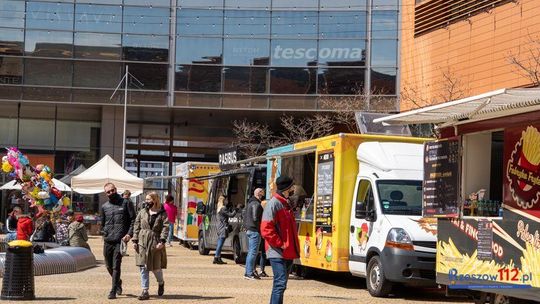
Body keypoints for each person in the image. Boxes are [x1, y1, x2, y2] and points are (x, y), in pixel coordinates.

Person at [261, 175, 300, 304]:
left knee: (280, 285)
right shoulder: (274, 204)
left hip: (286, 251)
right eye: (291, 187)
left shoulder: (285, 204)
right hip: (277, 251)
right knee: (280, 283)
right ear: (286, 189)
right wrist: (280, 244)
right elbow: (266, 229)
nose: (293, 189)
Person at [101, 182, 136, 300]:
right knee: (108, 265)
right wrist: (103, 232)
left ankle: (113, 290)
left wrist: (129, 234)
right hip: (107, 240)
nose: (111, 193)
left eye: (112, 190)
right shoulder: (104, 206)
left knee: (116, 266)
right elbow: (102, 223)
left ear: (116, 189)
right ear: (105, 194)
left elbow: (133, 220)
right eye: (108, 192)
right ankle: (118, 282)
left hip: (119, 240)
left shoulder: (126, 203)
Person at [132, 192, 169, 300]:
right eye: (146, 199)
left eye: (149, 199)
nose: (146, 201)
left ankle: (161, 282)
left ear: (155, 200)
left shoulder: (162, 213)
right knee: (143, 267)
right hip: (142, 240)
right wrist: (135, 240)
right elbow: (136, 225)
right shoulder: (142, 212)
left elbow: (165, 227)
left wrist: (162, 241)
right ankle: (145, 291)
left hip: (155, 241)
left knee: (156, 268)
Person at [243, 188, 265, 280]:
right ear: (259, 193)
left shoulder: (250, 203)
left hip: (249, 229)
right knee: (253, 253)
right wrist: (260, 229)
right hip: (254, 230)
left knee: (251, 252)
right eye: (262, 192)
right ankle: (249, 273)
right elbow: (256, 218)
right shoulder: (256, 204)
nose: (263, 194)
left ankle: (248, 272)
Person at [213, 195, 237, 265]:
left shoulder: (219, 208)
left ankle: (218, 257)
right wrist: (236, 209)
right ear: (223, 200)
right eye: (226, 200)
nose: (227, 201)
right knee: (220, 243)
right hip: (223, 228)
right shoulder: (223, 208)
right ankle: (216, 257)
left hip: (220, 227)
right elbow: (231, 215)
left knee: (220, 242)